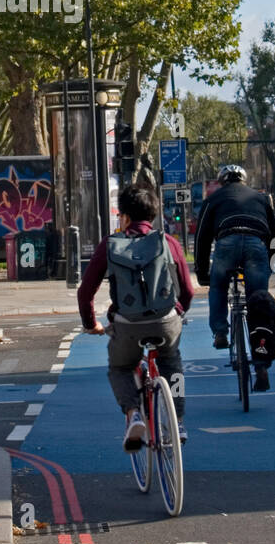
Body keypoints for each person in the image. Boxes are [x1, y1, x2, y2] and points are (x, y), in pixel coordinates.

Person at [78, 184, 194, 448]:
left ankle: (134, 414)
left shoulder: (109, 245)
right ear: (152, 215)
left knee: (119, 368)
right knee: (172, 363)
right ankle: (178, 421)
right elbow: (187, 290)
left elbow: (85, 293)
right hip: (166, 321)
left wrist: (91, 324)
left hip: (127, 325)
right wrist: (176, 312)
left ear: (125, 216)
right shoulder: (169, 243)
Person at [193, 164, 275, 390]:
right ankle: (260, 363)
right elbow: (274, 234)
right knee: (259, 302)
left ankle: (220, 331)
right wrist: (270, 264)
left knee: (218, 287)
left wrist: (203, 274)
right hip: (255, 244)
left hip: (226, 242)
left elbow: (202, 237)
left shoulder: (213, 199)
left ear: (222, 182)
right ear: (244, 180)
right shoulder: (260, 198)